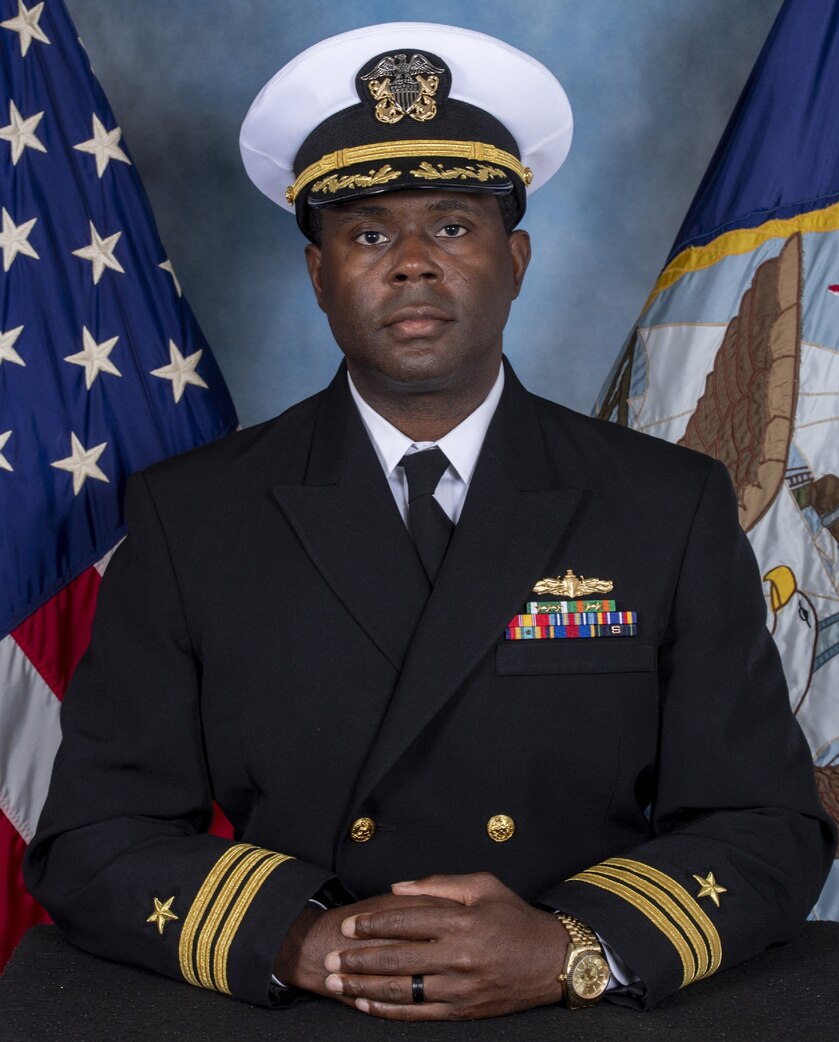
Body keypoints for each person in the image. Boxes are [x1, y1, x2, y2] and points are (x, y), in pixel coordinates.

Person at [25, 21, 834, 1021]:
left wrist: (570, 947)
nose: (412, 263)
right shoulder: (193, 515)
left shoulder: (664, 504)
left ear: (516, 258)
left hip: (572, 1011)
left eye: (452, 227)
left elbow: (763, 820)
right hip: (311, 1008)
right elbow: (96, 833)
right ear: (318, 274)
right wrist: (299, 938)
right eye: (368, 234)